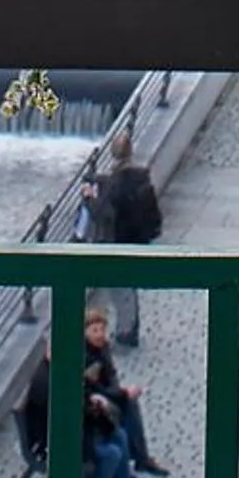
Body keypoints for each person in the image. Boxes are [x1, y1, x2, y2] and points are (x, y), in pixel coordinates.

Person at [22, 342, 135, 478]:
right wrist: (94, 408)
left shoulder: (54, 370)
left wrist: (92, 401)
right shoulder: (50, 381)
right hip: (57, 440)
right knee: (111, 452)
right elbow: (69, 413)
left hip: (67, 430)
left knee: (118, 434)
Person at [90, 126, 162, 344]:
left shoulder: (116, 184)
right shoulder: (140, 177)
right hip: (138, 238)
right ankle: (130, 327)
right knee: (128, 285)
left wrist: (89, 198)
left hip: (118, 239)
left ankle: (126, 332)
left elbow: (103, 212)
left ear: (112, 154)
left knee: (119, 287)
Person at [82, 305, 168, 478]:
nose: (99, 334)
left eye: (102, 329)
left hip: (103, 394)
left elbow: (110, 375)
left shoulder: (103, 348)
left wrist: (121, 392)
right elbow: (93, 387)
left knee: (130, 404)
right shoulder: (86, 357)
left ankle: (140, 458)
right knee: (125, 408)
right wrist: (121, 393)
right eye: (94, 330)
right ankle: (138, 460)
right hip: (92, 401)